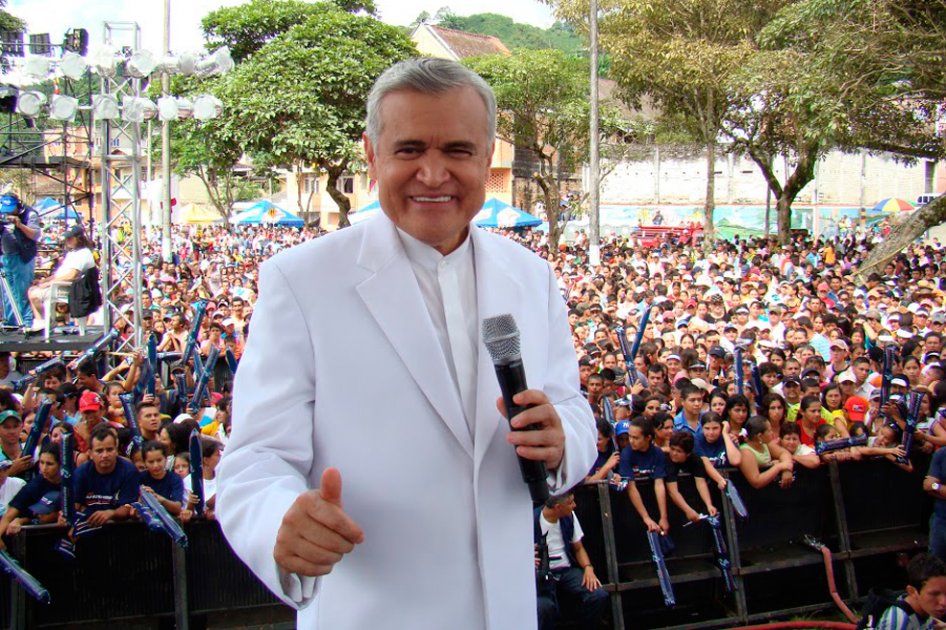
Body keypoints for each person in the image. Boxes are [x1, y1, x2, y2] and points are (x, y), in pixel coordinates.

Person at [216, 57, 596, 629]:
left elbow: (571, 407)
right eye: (411, 149)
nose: (434, 173)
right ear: (372, 155)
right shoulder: (303, 281)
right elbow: (254, 460)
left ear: (487, 153)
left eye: (458, 151)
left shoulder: (531, 276)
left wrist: (561, 439)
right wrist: (279, 523)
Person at [534, 493, 608, 630]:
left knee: (598, 595)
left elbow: (578, 548)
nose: (574, 506)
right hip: (541, 573)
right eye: (570, 503)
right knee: (544, 607)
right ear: (557, 507)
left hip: (566, 569)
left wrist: (588, 567)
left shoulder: (570, 516)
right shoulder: (530, 520)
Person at [27, 224, 95, 329]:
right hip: (60, 284)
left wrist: (49, 283)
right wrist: (44, 280)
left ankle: (44, 321)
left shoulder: (83, 253)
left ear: (79, 238)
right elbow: (59, 274)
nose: (67, 241)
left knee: (34, 294)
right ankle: (42, 321)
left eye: (70, 238)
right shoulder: (72, 253)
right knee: (32, 290)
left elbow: (71, 275)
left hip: (69, 288)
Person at [873, 553, 946, 629]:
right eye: (934, 594)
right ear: (912, 591)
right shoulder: (900, 621)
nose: (944, 602)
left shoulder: (926, 610)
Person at [0, 192, 41, 328]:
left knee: (21, 290)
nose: (8, 213)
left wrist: (20, 226)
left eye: (11, 209)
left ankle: (25, 321)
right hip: (6, 256)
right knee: (6, 290)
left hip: (23, 257)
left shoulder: (30, 214)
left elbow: (35, 235)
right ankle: (11, 322)